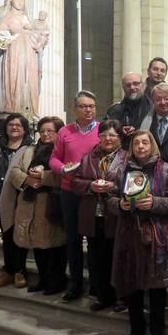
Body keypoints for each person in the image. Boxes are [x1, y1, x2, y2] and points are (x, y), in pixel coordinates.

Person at [108, 130, 168, 335]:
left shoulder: (165, 169)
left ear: (152, 146)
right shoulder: (122, 170)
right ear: (131, 147)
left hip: (157, 236)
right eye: (136, 143)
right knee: (133, 287)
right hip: (129, 236)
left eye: (145, 142)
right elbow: (110, 198)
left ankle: (157, 332)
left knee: (157, 289)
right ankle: (136, 330)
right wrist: (120, 205)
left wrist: (154, 203)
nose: (140, 146)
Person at [1, 116, 65, 294]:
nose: (45, 134)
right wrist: (27, 180)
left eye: (50, 131)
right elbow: (14, 171)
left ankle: (56, 282)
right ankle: (43, 279)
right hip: (30, 204)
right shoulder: (29, 150)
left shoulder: (63, 150)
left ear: (59, 132)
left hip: (52, 204)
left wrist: (43, 177)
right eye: (42, 131)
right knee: (37, 244)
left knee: (55, 245)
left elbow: (66, 175)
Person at [50, 90, 101, 301]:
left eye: (91, 106)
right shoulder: (65, 131)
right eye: (83, 106)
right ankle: (76, 284)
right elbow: (54, 159)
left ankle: (96, 285)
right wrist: (63, 168)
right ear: (75, 109)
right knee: (73, 239)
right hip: (69, 191)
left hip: (92, 192)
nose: (88, 110)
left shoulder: (102, 130)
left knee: (95, 240)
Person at [72, 120, 127, 311]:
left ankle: (121, 297)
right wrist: (90, 186)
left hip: (117, 215)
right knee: (96, 258)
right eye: (104, 135)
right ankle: (103, 296)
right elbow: (75, 182)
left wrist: (114, 186)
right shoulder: (88, 157)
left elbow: (135, 182)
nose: (108, 139)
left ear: (120, 138)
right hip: (93, 215)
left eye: (112, 135)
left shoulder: (127, 158)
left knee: (118, 257)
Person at [0, 113, 34, 288]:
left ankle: (20, 271)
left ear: (24, 128)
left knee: (19, 236)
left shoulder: (31, 148)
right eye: (11, 124)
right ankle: (8, 271)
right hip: (0, 198)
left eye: (18, 125)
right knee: (7, 236)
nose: (14, 127)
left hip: (22, 199)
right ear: (6, 127)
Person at [0, 0, 40, 116]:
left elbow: (37, 36)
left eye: (22, 0)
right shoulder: (6, 18)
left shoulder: (26, 18)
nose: (20, 2)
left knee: (28, 80)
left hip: (29, 53)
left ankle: (28, 110)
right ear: (11, 0)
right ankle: (14, 108)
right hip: (14, 53)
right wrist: (9, 37)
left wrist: (34, 34)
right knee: (15, 78)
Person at [105, 72, 152, 149]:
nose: (132, 87)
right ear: (123, 88)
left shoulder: (154, 108)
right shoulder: (114, 110)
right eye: (128, 85)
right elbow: (105, 134)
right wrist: (120, 131)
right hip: (124, 153)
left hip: (149, 152)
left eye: (136, 83)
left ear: (143, 85)